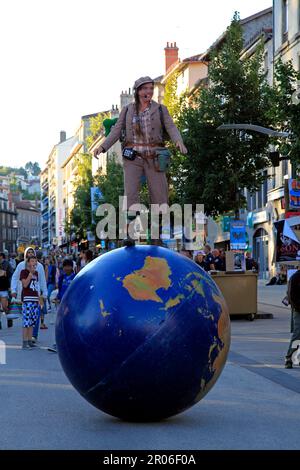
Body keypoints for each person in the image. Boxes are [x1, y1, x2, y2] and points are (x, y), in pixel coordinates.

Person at [93, 76, 187, 246]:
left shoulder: (160, 109)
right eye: (145, 89)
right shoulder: (127, 110)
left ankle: (157, 238)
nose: (148, 92)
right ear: (137, 91)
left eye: (151, 89)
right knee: (131, 195)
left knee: (159, 197)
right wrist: (103, 147)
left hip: (154, 157)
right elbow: (115, 131)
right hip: (133, 157)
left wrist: (178, 140)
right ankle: (130, 234)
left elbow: (171, 126)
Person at [11, 247, 47, 343]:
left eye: (32, 252)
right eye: (29, 252)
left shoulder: (39, 267)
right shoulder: (21, 266)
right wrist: (13, 290)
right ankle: (26, 340)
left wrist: (44, 294)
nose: (30, 254)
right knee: (27, 319)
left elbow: (42, 281)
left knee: (35, 317)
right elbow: (15, 278)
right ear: (26, 255)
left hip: (36, 296)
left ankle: (33, 336)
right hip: (25, 296)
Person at [48, 259, 76, 353]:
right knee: (59, 324)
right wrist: (57, 297)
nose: (67, 268)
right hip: (61, 304)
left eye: (69, 266)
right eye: (65, 266)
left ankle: (70, 345)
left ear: (72, 267)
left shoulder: (75, 278)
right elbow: (60, 290)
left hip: (71, 305)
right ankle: (57, 344)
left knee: (69, 325)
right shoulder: (61, 277)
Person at [20, 255, 43, 349]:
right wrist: (30, 274)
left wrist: (39, 299)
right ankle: (24, 342)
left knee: (32, 321)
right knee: (26, 321)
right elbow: (25, 284)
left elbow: (36, 286)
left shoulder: (36, 273)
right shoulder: (24, 272)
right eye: (32, 261)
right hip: (27, 299)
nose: (34, 263)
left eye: (35, 261)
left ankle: (30, 340)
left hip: (34, 299)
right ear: (28, 262)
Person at [284, 268, 300, 369]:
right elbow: (291, 296)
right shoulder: (295, 278)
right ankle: (289, 358)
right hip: (298, 310)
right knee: (297, 334)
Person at [0, 252, 13, 329]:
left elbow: (11, 273)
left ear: (1, 257)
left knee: (4, 307)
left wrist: (5, 273)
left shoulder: (7, 263)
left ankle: (9, 318)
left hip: (4, 287)